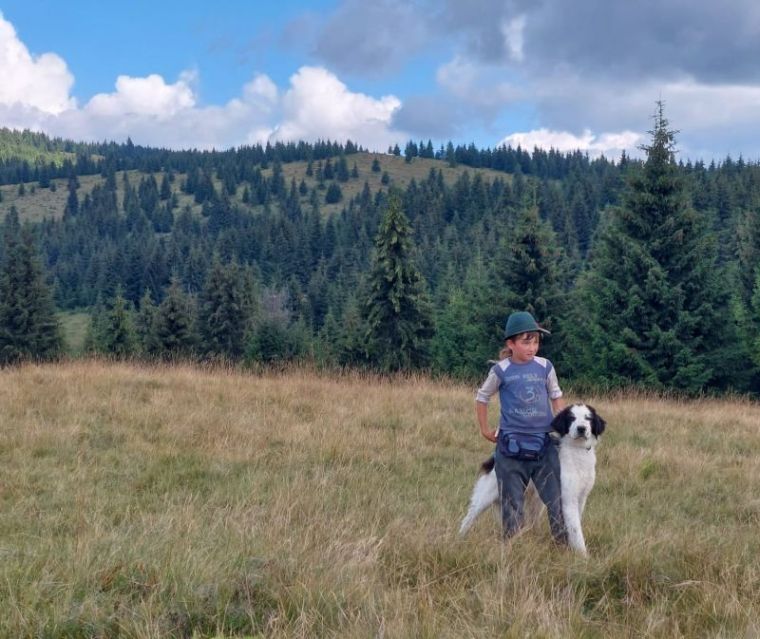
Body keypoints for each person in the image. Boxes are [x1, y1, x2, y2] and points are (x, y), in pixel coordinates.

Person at [475, 310, 568, 544]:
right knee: (512, 503)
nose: (532, 347)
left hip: (544, 446)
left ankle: (564, 546)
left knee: (556, 500)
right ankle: (513, 549)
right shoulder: (500, 370)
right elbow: (482, 397)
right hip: (510, 448)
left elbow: (556, 396)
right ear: (511, 343)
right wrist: (485, 429)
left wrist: (562, 425)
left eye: (535, 341)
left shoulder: (545, 367)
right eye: (526, 342)